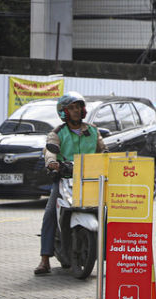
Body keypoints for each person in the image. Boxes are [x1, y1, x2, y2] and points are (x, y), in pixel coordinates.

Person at [34, 91, 107, 275]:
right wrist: (51, 162)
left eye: (78, 107)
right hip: (65, 180)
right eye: (72, 108)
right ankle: (44, 259)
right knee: (50, 213)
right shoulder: (57, 133)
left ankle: (113, 254)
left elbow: (104, 150)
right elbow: (49, 150)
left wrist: (110, 159)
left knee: (111, 211)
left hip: (90, 181)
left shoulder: (93, 131)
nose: (76, 111)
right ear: (64, 112)